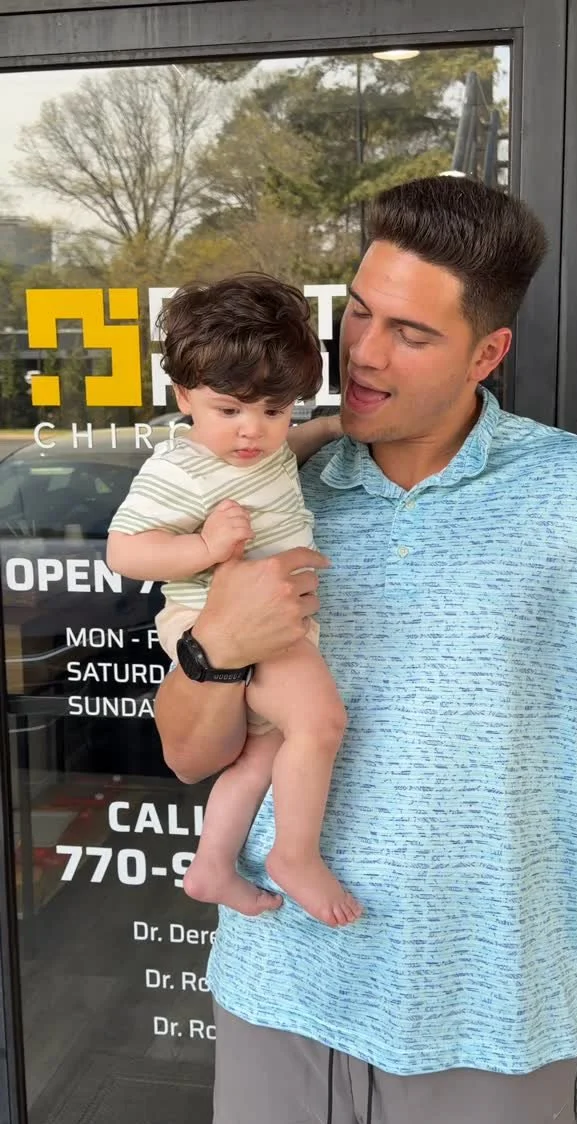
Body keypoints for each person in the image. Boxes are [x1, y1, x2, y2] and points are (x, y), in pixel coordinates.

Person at [155, 176, 577, 1124]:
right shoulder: (269, 488)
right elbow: (187, 756)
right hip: (277, 989)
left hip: (485, 1018)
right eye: (360, 313)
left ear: (487, 354)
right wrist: (217, 650)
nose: (365, 354)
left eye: (411, 333)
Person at [107, 275, 362, 927]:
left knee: (262, 755)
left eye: (274, 411)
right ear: (183, 396)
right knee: (320, 723)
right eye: (229, 411)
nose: (252, 431)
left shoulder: (261, 449)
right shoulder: (180, 469)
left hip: (273, 620)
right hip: (216, 617)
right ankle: (294, 856)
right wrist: (204, 546)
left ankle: (211, 865)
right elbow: (125, 552)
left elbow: (283, 454)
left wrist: (329, 427)